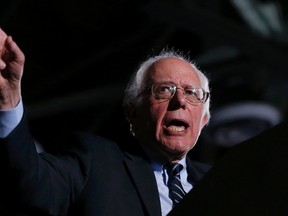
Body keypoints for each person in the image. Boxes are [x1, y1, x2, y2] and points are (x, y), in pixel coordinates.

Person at [0, 27, 211, 216]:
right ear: (133, 112)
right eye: (164, 89)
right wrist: (8, 98)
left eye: (193, 93)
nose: (180, 100)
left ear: (203, 120)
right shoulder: (95, 161)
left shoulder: (223, 181)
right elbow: (30, 187)